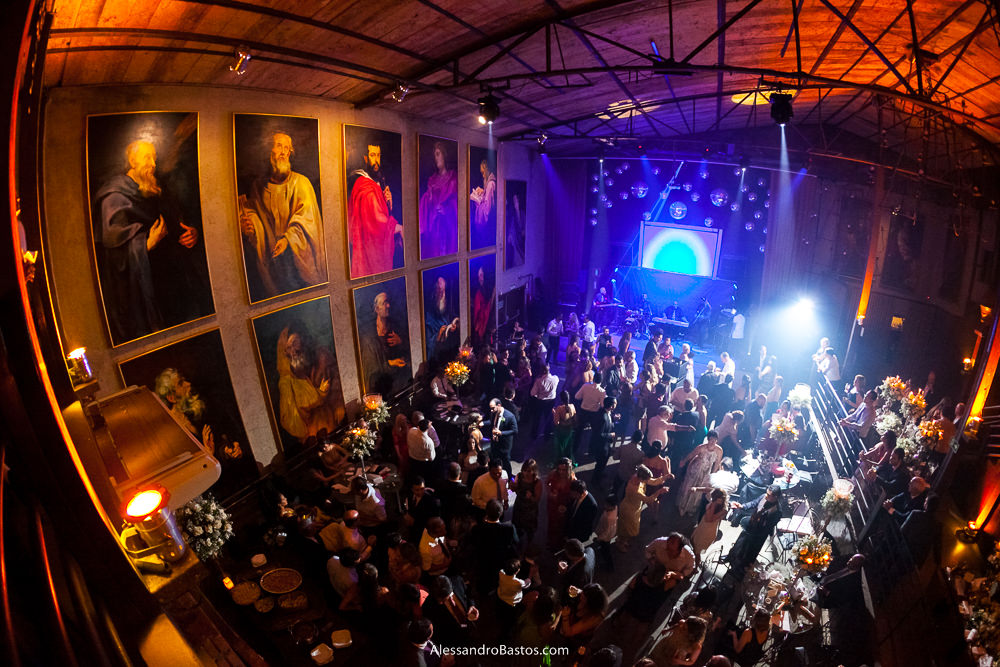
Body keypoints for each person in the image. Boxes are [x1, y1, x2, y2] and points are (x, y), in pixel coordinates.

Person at [94, 139, 208, 342]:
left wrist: (193, 233)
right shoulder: (114, 197)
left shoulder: (155, 188)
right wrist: (145, 245)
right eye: (147, 157)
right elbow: (112, 254)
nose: (153, 163)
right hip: (148, 288)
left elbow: (177, 221)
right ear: (132, 160)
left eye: (154, 158)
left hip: (177, 282)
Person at [239, 131, 326, 299]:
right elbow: (254, 215)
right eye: (279, 146)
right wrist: (249, 225)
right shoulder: (258, 187)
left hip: (296, 257)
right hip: (273, 258)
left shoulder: (302, 183)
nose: (284, 152)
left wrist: (288, 239)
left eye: (287, 148)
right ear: (268, 150)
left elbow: (307, 220)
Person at [276, 324, 342, 443]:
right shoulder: (286, 381)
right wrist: (320, 394)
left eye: (295, 343)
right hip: (311, 430)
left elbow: (336, 379)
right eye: (289, 347)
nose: (293, 351)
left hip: (331, 419)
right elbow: (292, 415)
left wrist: (339, 405)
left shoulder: (322, 356)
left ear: (303, 340)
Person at [348, 141, 401, 278]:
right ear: (366, 158)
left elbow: (379, 210)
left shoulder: (374, 183)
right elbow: (376, 221)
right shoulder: (364, 185)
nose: (376, 160)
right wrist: (397, 227)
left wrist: (387, 203)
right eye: (372, 155)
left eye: (378, 155)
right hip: (367, 252)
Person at [361, 291, 410, 397]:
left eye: (388, 302)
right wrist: (391, 363)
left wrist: (401, 342)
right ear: (376, 309)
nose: (388, 305)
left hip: (398, 381)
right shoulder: (368, 335)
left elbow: (410, 348)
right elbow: (370, 368)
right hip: (381, 385)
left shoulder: (395, 326)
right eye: (384, 303)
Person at [727, 484, 782, 573]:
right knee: (740, 542)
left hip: (759, 534)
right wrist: (742, 506)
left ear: (776, 497)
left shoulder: (777, 511)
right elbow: (754, 503)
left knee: (749, 552)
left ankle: (741, 569)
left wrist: (762, 521)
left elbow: (769, 527)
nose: (766, 496)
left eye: (769, 495)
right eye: (766, 493)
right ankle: (730, 557)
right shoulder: (764, 496)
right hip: (751, 524)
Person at [469, 499, 518, 594]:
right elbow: (516, 542)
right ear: (501, 513)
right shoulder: (509, 528)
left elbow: (473, 543)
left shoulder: (477, 529)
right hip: (502, 562)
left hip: (483, 562)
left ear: (486, 512)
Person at [418, 140, 457, 258]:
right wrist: (428, 199)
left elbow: (457, 202)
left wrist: (447, 210)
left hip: (448, 227)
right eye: (434, 155)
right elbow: (426, 205)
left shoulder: (453, 178)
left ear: (444, 155)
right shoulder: (432, 180)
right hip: (434, 229)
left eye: (438, 154)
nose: (436, 158)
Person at [617, 465, 667, 551]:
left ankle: (623, 540)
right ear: (642, 478)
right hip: (629, 511)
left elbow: (653, 481)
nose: (648, 481)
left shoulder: (638, 477)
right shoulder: (634, 489)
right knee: (627, 529)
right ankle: (621, 543)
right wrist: (659, 491)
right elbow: (649, 500)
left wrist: (665, 477)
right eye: (646, 480)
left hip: (634, 508)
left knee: (628, 528)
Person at [678, 432, 724, 517]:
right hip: (695, 469)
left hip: (706, 472)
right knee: (689, 487)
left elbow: (717, 463)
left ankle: (691, 509)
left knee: (699, 491)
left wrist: (713, 475)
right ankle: (682, 507)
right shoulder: (701, 447)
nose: (712, 442)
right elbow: (691, 455)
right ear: (708, 439)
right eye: (710, 440)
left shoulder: (719, 450)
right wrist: (683, 462)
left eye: (714, 440)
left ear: (717, 440)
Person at [557, 582, 607, 653]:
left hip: (576, 639)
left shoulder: (593, 618)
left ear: (591, 602)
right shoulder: (586, 600)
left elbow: (569, 632)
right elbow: (580, 592)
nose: (580, 595)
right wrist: (576, 590)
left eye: (583, 596)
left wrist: (565, 616)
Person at [424, 276, 460, 363]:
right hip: (436, 351)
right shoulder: (429, 310)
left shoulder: (448, 303)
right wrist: (438, 334)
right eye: (439, 290)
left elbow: (453, 317)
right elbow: (428, 340)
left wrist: (455, 326)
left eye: (443, 291)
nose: (441, 294)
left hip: (448, 347)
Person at [546, 458, 576, 548]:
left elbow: (574, 495)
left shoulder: (572, 479)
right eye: (559, 469)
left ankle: (557, 543)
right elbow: (546, 483)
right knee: (551, 522)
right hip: (552, 503)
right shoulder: (553, 474)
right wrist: (549, 493)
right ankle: (550, 541)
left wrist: (567, 505)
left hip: (564, 505)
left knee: (561, 525)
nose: (561, 472)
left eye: (564, 470)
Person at [511, 459, 542, 544]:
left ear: (534, 471)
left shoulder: (537, 482)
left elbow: (537, 500)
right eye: (524, 470)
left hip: (530, 509)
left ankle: (530, 545)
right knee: (517, 526)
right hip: (519, 506)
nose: (525, 473)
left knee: (530, 529)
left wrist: (531, 497)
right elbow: (515, 489)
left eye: (528, 471)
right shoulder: (520, 476)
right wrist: (512, 486)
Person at [469, 158, 496, 245]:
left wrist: (477, 201)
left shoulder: (491, 184)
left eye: (483, 172)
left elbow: (486, 213)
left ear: (487, 170)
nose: (483, 176)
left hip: (487, 231)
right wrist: (482, 192)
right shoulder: (489, 185)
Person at [489, 397, 518, 478]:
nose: (491, 410)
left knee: (506, 463)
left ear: (499, 405)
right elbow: (491, 422)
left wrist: (501, 433)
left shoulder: (510, 416)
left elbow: (515, 430)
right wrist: (483, 423)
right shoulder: (493, 413)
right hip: (495, 442)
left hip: (504, 445)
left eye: (493, 408)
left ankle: (508, 478)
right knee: (495, 461)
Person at [529, 363, 559, 438]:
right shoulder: (555, 378)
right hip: (551, 401)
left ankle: (534, 435)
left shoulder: (539, 381)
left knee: (537, 418)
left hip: (540, 401)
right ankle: (547, 435)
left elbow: (532, 393)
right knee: (548, 418)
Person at [565, 479, 600, 543]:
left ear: (582, 493)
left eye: (574, 494)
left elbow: (586, 524)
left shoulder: (591, 505)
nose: (572, 496)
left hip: (579, 534)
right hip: (572, 528)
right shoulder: (576, 496)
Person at [471, 265, 496, 348]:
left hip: (487, 327)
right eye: (478, 276)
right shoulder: (478, 292)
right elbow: (477, 313)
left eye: (481, 275)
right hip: (480, 326)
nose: (480, 278)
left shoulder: (492, 291)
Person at [552, 391, 577, 463]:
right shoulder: (572, 406)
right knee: (568, 446)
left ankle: (559, 462)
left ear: (561, 399)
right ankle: (569, 461)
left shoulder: (559, 408)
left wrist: (554, 413)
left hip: (561, 430)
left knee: (559, 447)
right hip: (569, 430)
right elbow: (575, 418)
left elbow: (556, 423)